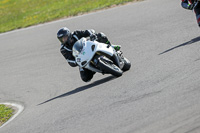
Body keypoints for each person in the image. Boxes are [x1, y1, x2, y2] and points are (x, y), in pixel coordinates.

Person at [57, 27, 121, 82]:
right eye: (61, 39)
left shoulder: (76, 34)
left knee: (101, 35)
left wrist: (92, 34)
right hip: (81, 59)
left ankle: (111, 46)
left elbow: (87, 31)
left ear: (69, 35)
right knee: (85, 78)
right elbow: (69, 60)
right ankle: (93, 69)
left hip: (88, 47)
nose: (63, 40)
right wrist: (76, 62)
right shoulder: (63, 49)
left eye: (64, 37)